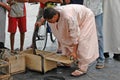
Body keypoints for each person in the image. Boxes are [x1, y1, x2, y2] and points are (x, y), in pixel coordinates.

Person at [36, 4, 99, 77]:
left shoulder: (69, 17)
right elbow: (45, 17)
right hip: (75, 16)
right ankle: (67, 61)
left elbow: (75, 35)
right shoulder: (53, 11)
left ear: (55, 16)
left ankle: (83, 67)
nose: (50, 22)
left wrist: (74, 52)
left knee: (82, 41)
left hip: (86, 18)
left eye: (50, 20)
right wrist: (40, 22)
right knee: (64, 37)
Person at [84, 0, 105, 69]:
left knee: (99, 36)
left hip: (97, 12)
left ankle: (101, 59)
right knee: (85, 36)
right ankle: (86, 59)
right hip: (86, 12)